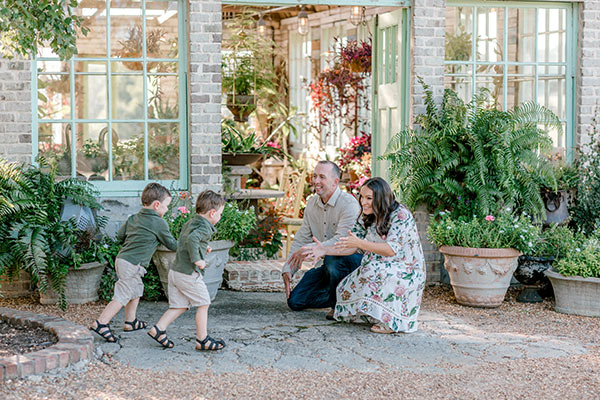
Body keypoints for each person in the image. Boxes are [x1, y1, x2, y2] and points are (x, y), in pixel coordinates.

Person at [308, 177, 426, 334]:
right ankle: (372, 314)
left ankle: (391, 322)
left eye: (369, 198)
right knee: (345, 288)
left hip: (405, 269)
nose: (363, 202)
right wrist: (324, 250)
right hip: (376, 264)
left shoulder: (401, 215)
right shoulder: (365, 215)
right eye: (361, 196)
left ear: (381, 198)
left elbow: (391, 249)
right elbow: (349, 245)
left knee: (374, 273)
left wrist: (360, 244)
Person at [90, 183, 178, 342]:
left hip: (123, 259)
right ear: (157, 205)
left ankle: (130, 321)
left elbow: (120, 235)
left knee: (136, 290)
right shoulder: (159, 223)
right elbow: (171, 244)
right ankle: (101, 323)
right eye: (166, 207)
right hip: (133, 264)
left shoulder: (133, 218)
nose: (166, 210)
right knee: (123, 294)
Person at [147, 190, 226, 351]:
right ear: (212, 213)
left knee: (179, 305)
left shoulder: (191, 222)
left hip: (175, 271)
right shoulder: (204, 228)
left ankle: (158, 329)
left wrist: (204, 248)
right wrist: (198, 259)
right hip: (188, 273)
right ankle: (202, 339)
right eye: (220, 214)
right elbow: (192, 239)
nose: (220, 217)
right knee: (204, 303)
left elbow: (187, 239)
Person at [283, 160, 362, 317]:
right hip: (326, 265)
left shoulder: (349, 204)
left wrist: (312, 249)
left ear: (335, 182)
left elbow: (342, 242)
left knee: (332, 260)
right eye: (314, 176)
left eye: (321, 177)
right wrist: (288, 268)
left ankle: (338, 306)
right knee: (295, 301)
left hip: (352, 262)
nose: (316, 181)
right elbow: (301, 238)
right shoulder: (312, 203)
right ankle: (344, 296)